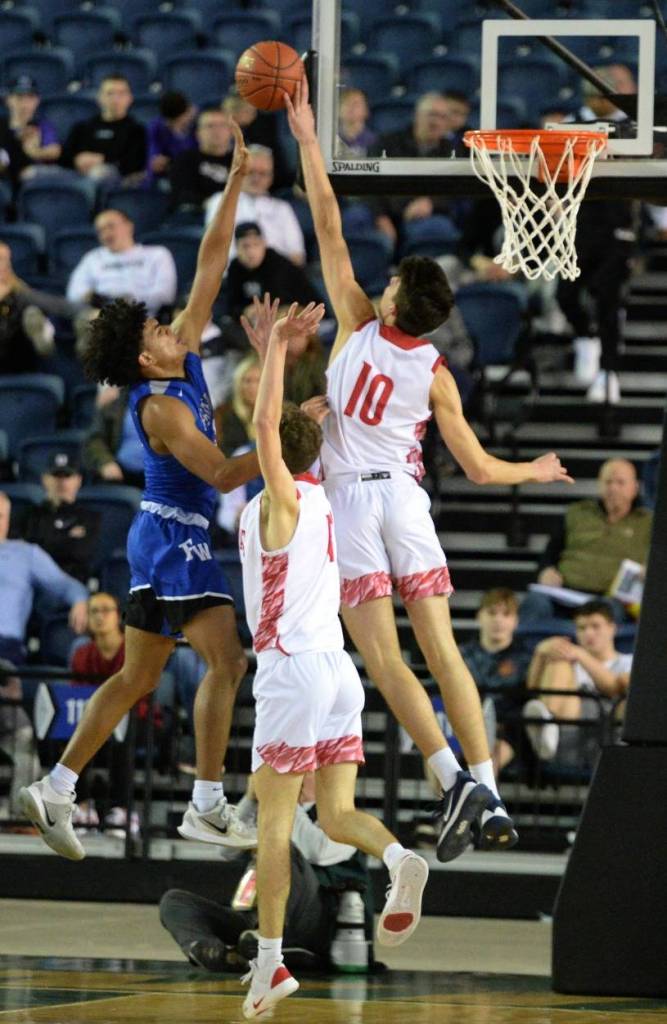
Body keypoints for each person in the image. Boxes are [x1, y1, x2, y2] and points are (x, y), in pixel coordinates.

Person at [285, 76, 573, 860]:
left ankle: (453, 780)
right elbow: (479, 470)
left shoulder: (352, 322)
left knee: (384, 661)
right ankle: (489, 784)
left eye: (386, 284)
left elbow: (326, 222)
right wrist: (536, 470)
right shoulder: (438, 372)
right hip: (407, 505)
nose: (375, 285)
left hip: (349, 505)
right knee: (444, 652)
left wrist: (311, 140)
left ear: (389, 304)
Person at [18, 121, 262, 863]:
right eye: (155, 328)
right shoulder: (157, 406)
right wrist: (291, 438)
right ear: (141, 356)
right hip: (171, 536)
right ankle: (206, 802)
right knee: (227, 662)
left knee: (139, 673)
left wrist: (232, 185)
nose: (167, 325)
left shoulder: (179, 362)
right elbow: (222, 475)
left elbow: (210, 268)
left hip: (165, 535)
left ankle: (57, 784)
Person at [237, 300, 429, 1019]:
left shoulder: (280, 500)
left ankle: (269, 964)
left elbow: (265, 428)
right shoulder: (320, 495)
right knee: (339, 811)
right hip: (337, 671)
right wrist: (288, 376)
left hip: (290, 671)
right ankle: (395, 857)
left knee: (275, 827)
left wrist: (280, 349)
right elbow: (287, 428)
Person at [160, 772, 376, 974]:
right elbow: (226, 849)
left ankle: (270, 940)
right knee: (175, 902)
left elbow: (315, 850)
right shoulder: (271, 810)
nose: (294, 774)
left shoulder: (346, 820)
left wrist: (283, 796)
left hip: (316, 925)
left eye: (303, 769)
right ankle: (214, 952)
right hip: (254, 918)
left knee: (280, 847)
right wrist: (251, 798)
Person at [69, 591, 166, 837]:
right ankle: (82, 807)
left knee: (124, 739)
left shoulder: (133, 650)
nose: (100, 617)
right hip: (98, 724)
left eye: (106, 610)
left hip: (139, 721)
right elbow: (77, 699)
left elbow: (142, 695)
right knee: (75, 736)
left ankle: (123, 810)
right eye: (94, 611)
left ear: (118, 616)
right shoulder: (82, 654)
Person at [520, 459, 652, 626]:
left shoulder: (649, 523)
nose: (613, 488)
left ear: (635, 487)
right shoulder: (577, 512)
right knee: (535, 603)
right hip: (564, 592)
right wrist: (545, 571)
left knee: (608, 612)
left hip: (611, 600)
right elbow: (549, 554)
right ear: (599, 485)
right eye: (608, 482)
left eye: (620, 482)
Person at [523, 600, 631, 766]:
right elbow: (533, 688)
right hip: (567, 734)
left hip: (608, 736)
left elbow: (614, 689)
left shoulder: (628, 661)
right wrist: (540, 652)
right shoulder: (569, 659)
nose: (588, 633)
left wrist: (580, 654)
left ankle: (546, 724)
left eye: (595, 626)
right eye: (582, 628)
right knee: (558, 660)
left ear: (612, 628)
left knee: (626, 682)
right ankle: (547, 722)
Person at [368, 91, 471, 252]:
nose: (436, 122)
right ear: (417, 115)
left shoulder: (452, 150)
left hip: (426, 216)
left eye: (442, 117)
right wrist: (380, 217)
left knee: (436, 227)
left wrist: (431, 202)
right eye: (432, 115)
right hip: (386, 211)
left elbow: (455, 189)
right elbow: (369, 184)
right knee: (358, 219)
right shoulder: (387, 143)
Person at [0, 492, 88, 667]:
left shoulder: (26, 554)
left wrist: (80, 601)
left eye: (0, 516)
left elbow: (66, 585)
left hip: (4, 647)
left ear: (8, 520)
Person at [459, 589, 533, 778]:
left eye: (506, 614)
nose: (498, 620)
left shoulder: (525, 657)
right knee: (437, 751)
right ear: (479, 616)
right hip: (463, 726)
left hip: (507, 731)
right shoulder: (460, 654)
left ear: (515, 621)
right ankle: (441, 804)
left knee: (489, 757)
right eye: (492, 613)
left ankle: (480, 806)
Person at [66, 208, 177, 318]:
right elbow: (74, 294)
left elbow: (165, 295)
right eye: (101, 230)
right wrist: (91, 297)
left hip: (140, 315)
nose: (106, 234)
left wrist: (128, 300)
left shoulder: (157, 254)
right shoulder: (92, 258)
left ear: (129, 226)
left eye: (111, 226)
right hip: (101, 315)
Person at [206, 145, 305, 265]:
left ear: (271, 178)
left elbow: (297, 255)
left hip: (277, 277)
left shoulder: (282, 208)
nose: (256, 178)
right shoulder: (220, 201)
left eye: (263, 173)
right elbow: (216, 251)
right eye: (250, 172)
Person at [17, 452, 101, 584]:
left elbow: (81, 553)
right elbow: (22, 555)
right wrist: (67, 538)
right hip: (34, 584)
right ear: (44, 479)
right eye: (56, 475)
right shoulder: (29, 516)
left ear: (78, 480)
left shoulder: (90, 518)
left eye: (67, 476)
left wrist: (43, 542)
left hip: (73, 586)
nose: (62, 482)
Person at [225, 222, 320, 321]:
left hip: (302, 315)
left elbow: (284, 301)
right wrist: (245, 310)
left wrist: (260, 309)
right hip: (259, 320)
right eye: (245, 246)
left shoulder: (277, 263)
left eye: (256, 244)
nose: (251, 252)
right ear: (236, 248)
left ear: (264, 244)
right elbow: (230, 306)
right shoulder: (235, 267)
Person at [61, 75, 147, 184]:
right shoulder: (82, 127)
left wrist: (102, 159)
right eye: (109, 93)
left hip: (116, 179)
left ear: (129, 98)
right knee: (38, 173)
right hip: (76, 174)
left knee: (98, 173)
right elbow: (64, 158)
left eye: (121, 94)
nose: (115, 99)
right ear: (99, 98)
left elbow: (134, 164)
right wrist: (76, 160)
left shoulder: (137, 130)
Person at [169, 107, 234, 213]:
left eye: (222, 125)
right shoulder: (184, 160)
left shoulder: (241, 161)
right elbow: (183, 195)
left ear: (231, 132)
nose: (217, 130)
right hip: (198, 217)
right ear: (198, 133)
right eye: (210, 126)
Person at [84, 386, 145, 489]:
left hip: (163, 478)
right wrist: (105, 462)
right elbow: (94, 439)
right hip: (120, 475)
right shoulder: (115, 401)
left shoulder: (176, 400)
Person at [4, 75, 61, 171]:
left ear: (37, 101)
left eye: (30, 98)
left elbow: (54, 150)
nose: (25, 104)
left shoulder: (43, 126)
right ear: (9, 100)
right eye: (19, 97)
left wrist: (36, 152)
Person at [146, 90, 196, 185]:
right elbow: (153, 153)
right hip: (166, 175)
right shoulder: (157, 127)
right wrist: (155, 159)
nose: (173, 124)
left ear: (188, 112)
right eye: (170, 122)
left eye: (178, 120)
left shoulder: (199, 125)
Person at [337, 87, 377, 157]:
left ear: (366, 110)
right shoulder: (331, 139)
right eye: (345, 102)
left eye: (356, 104)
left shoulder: (374, 141)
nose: (350, 107)